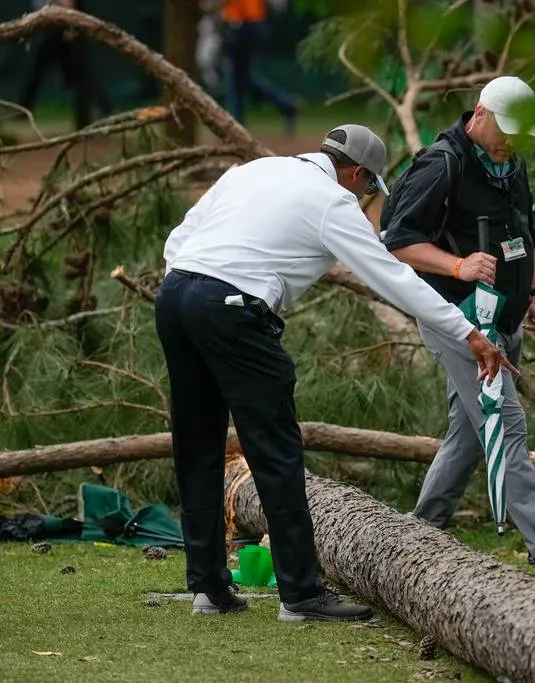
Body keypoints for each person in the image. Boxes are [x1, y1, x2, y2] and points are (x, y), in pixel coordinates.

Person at [156, 124, 515, 621]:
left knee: (197, 443)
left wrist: (189, 289)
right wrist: (467, 332)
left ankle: (208, 586)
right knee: (275, 449)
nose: (365, 199)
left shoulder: (254, 170)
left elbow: (179, 237)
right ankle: (301, 594)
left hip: (176, 295)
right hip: (234, 308)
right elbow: (393, 277)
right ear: (357, 173)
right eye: (369, 188)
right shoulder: (333, 201)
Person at [380, 76, 535, 576]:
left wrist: (534, 292)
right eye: (506, 131)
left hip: (507, 317)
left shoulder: (511, 163)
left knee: (470, 433)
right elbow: (397, 242)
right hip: (458, 319)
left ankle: (422, 529)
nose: (511, 142)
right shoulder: (441, 165)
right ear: (480, 114)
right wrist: (458, 266)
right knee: (505, 423)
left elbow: (525, 233)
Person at [19, 0, 112, 130]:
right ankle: (23, 109)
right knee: (41, 71)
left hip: (58, 27)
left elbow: (67, 2)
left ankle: (106, 107)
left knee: (78, 73)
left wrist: (70, 26)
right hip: (50, 26)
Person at [218, 0, 298, 132]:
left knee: (235, 77)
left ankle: (236, 124)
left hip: (243, 25)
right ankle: (286, 105)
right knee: (242, 79)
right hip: (248, 24)